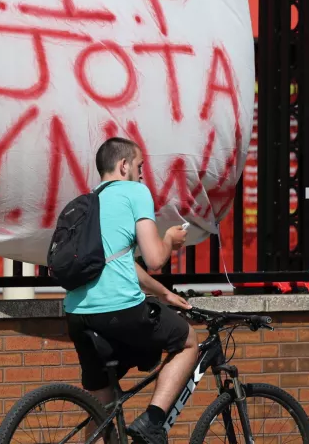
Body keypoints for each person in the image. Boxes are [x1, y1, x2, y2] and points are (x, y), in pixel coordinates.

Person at [65, 137, 196, 444]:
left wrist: (162, 293)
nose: (141, 174)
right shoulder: (136, 192)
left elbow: (117, 262)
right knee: (188, 341)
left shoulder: (89, 201)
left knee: (102, 410)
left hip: (77, 315)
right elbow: (154, 259)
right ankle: (152, 422)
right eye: (140, 166)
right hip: (119, 310)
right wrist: (170, 240)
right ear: (124, 165)